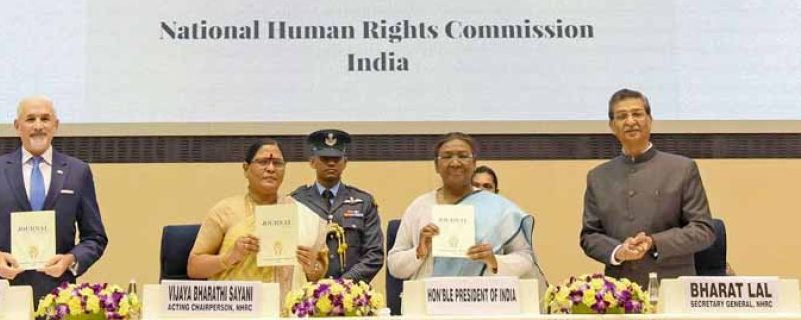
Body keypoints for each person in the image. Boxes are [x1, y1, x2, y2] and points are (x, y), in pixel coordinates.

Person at [0, 96, 108, 308]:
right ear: (17, 126)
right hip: (4, 296)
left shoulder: (77, 172)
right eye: (30, 119)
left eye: (45, 119)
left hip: (59, 297)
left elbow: (95, 237)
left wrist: (71, 260)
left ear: (56, 125)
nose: (38, 126)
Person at [580, 89, 716, 286]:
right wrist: (618, 251)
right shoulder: (598, 177)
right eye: (622, 116)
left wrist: (653, 242)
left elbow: (703, 230)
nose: (630, 121)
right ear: (612, 126)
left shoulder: (682, 169)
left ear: (650, 120)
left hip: (672, 286)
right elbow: (590, 236)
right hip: (620, 290)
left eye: (637, 114)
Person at [387, 132, 544, 281]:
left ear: (474, 164)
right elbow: (394, 266)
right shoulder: (420, 207)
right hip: (428, 298)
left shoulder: (497, 207)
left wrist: (494, 261)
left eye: (463, 156)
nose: (455, 163)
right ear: (436, 165)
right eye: (447, 156)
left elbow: (525, 257)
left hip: (483, 297)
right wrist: (419, 252)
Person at [188, 139, 327, 302]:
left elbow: (317, 274)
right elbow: (194, 267)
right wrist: (227, 258)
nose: (271, 168)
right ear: (246, 169)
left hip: (286, 309)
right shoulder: (225, 210)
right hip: (238, 307)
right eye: (263, 162)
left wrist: (311, 266)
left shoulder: (302, 215)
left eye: (277, 163)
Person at [291, 129, 384, 283]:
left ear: (345, 162)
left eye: (336, 158)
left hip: (353, 291)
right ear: (312, 161)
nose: (331, 163)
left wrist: (343, 284)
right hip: (307, 290)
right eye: (325, 158)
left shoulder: (363, 202)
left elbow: (374, 255)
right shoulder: (297, 202)